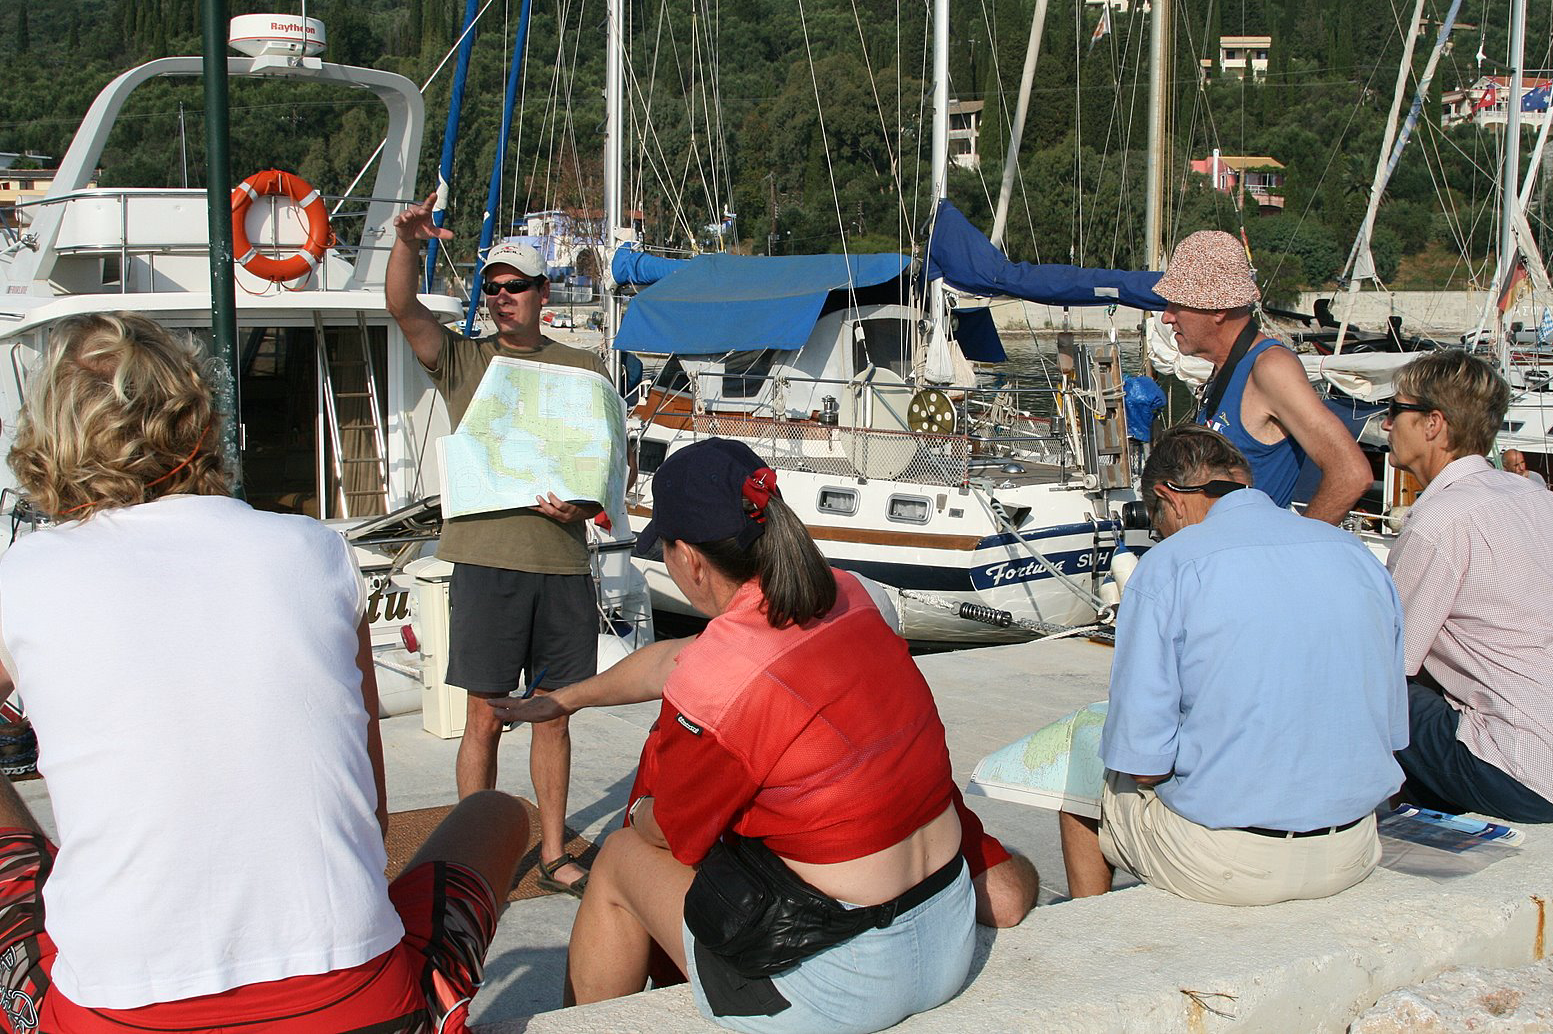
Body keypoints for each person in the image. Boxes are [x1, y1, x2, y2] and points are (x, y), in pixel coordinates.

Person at [0, 312, 530, 1032]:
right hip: (357, 1005)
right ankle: (435, 1001)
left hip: (112, 1011)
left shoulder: (26, 574)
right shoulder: (312, 550)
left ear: (53, 438)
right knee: (500, 812)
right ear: (200, 424)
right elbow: (372, 821)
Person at [492, 438, 977, 1033]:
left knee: (619, 858)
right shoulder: (852, 594)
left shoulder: (726, 670)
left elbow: (670, 831)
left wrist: (640, 811)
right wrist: (564, 700)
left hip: (845, 981)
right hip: (946, 931)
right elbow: (677, 660)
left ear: (690, 559)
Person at [1059, 425, 1407, 906]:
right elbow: (1391, 731)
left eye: (1158, 522)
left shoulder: (1170, 566)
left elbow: (1142, 766)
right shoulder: (1353, 553)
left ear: (1169, 498)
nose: (1161, 534)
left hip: (1229, 863)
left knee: (1081, 780)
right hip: (1355, 846)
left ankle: (1089, 924)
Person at [386, 194, 604, 894]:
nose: (502, 297)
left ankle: (553, 853)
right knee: (482, 716)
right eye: (493, 287)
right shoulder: (462, 359)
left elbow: (605, 457)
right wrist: (408, 243)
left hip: (562, 564)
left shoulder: (584, 364)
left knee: (555, 714)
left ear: (543, 293)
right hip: (485, 563)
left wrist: (586, 504)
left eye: (516, 286)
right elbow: (403, 308)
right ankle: (469, 861)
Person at [1382, 351, 1553, 823]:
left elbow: (1386, 660)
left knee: (1368, 687)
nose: (1385, 424)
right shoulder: (1537, 499)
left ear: (1433, 423)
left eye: (1395, 409)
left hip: (1527, 773)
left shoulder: (1441, 519)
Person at [1152, 230, 1372, 523]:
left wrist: (1292, 542)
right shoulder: (1226, 367)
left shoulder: (1270, 367)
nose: (1166, 317)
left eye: (1177, 304)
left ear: (1217, 309)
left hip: (1251, 549)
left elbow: (1352, 473)